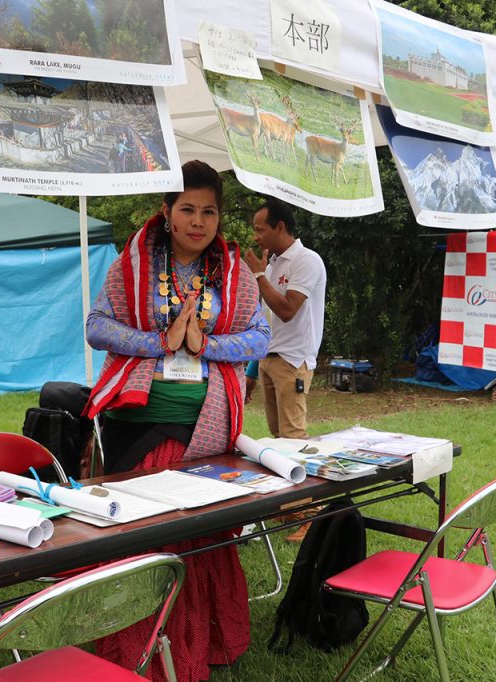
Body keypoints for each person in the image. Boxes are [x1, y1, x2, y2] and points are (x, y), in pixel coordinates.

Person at [85, 159, 269, 681]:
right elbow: (97, 326)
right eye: (187, 208)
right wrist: (157, 342)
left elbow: (259, 338)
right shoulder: (134, 265)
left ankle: (203, 641)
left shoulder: (232, 271)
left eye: (208, 211)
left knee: (201, 535)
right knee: (155, 536)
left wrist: (203, 345)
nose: (198, 221)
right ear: (166, 212)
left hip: (211, 425)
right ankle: (142, 648)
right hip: (144, 424)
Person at [243, 197, 326, 439]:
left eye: (260, 230)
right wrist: (252, 370)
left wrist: (258, 274)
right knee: (278, 434)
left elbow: (288, 310)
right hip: (268, 360)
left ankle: (301, 477)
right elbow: (266, 320)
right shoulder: (271, 266)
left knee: (292, 437)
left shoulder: (307, 260)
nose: (256, 237)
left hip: (292, 360)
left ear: (280, 227)